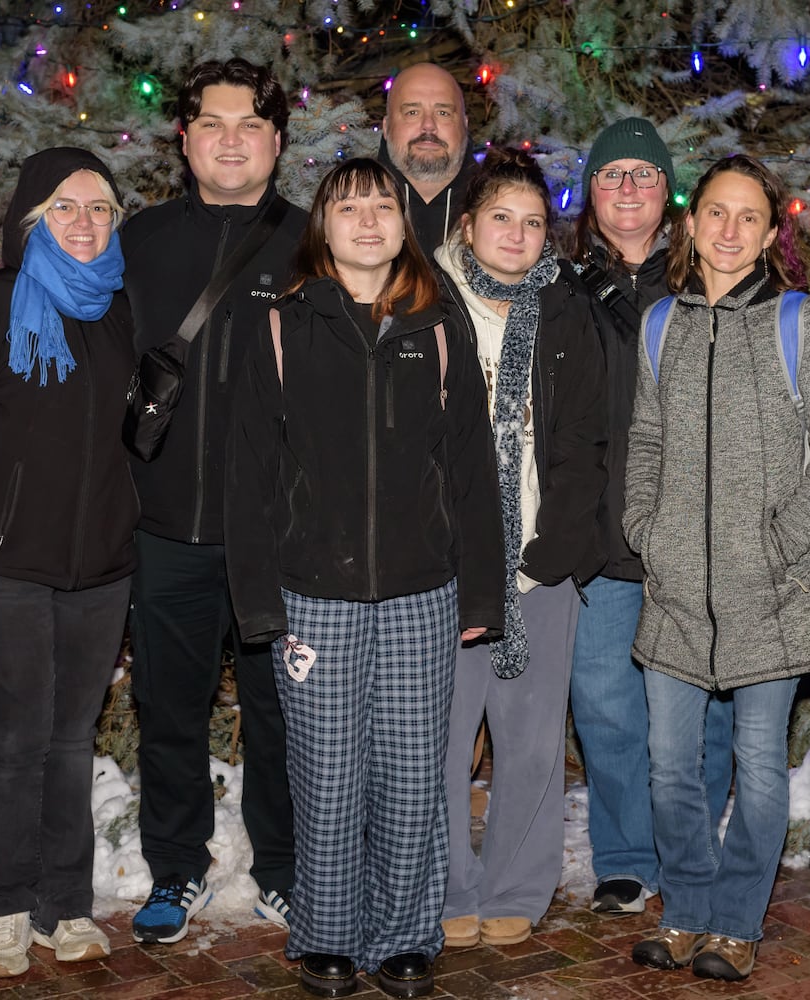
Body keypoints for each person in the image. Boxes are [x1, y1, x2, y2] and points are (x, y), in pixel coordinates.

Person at [225, 156, 504, 999]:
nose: (369, 220)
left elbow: (471, 471)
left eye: (382, 204)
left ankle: (407, 937)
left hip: (424, 593)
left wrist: (482, 592)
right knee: (327, 774)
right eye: (348, 207)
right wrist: (259, 603)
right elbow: (249, 474)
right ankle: (328, 936)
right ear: (323, 226)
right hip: (315, 596)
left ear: (402, 223)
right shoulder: (281, 324)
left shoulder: (439, 323)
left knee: (417, 772)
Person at [622, 154, 810, 980]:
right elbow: (646, 443)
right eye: (715, 214)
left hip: (772, 596)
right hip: (677, 591)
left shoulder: (799, 324)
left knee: (759, 766)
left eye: (748, 217)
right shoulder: (662, 325)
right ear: (690, 224)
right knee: (669, 763)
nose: (729, 231)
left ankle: (734, 922)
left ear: (769, 234)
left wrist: (778, 541)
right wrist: (646, 531)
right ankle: (685, 908)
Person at [0, 147, 137, 979]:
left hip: (100, 572)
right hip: (2, 568)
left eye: (100, 208)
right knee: (12, 742)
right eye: (64, 209)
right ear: (30, 221)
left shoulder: (118, 310)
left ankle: (64, 906)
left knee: (72, 741)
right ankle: (4, 907)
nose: (85, 224)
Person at [120, 58, 307, 943]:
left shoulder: (315, 241)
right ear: (185, 137)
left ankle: (283, 869)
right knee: (168, 709)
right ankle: (175, 867)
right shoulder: (140, 242)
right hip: (167, 529)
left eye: (250, 125)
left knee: (281, 715)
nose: (231, 141)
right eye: (212, 124)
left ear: (276, 139)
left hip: (278, 535)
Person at [434, 147, 608, 949]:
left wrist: (551, 551)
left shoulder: (568, 310)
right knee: (436, 737)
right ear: (467, 224)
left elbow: (583, 441)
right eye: (500, 216)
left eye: (533, 221)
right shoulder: (425, 298)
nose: (516, 233)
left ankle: (516, 884)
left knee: (532, 742)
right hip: (443, 564)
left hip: (541, 559)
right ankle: (445, 885)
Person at [566, 117, 681, 916]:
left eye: (644, 173)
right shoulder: (562, 287)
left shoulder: (706, 277)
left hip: (689, 537)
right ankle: (625, 856)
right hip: (600, 535)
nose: (629, 187)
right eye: (613, 174)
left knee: (694, 709)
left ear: (666, 190)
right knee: (604, 702)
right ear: (592, 193)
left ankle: (688, 850)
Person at [379, 62, 474, 253]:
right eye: (412, 112)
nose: (428, 125)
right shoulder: (347, 207)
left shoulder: (500, 210)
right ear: (386, 127)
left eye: (443, 113)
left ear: (464, 126)